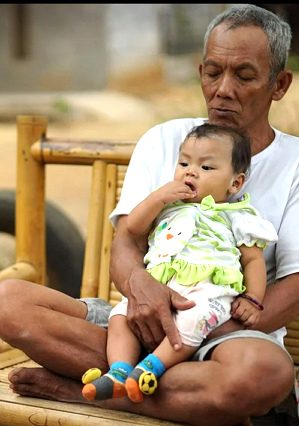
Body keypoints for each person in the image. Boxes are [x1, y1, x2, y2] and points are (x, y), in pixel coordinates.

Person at [0, 4, 299, 426]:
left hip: (225, 332)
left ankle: (80, 392)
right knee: (6, 302)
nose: (223, 89)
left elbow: (298, 287)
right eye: (212, 72)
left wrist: (202, 332)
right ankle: (186, 395)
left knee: (264, 375)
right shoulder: (165, 140)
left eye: (243, 76)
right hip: (136, 317)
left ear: (279, 84)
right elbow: (127, 242)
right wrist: (143, 292)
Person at [81, 123, 278, 404]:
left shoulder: (238, 215)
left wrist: (254, 299)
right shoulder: (167, 207)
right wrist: (157, 198)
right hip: (159, 283)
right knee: (120, 316)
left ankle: (151, 368)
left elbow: (253, 260)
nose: (190, 171)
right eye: (184, 162)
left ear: (235, 183)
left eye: (207, 168)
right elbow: (134, 228)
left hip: (208, 288)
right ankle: (119, 372)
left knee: (195, 319)